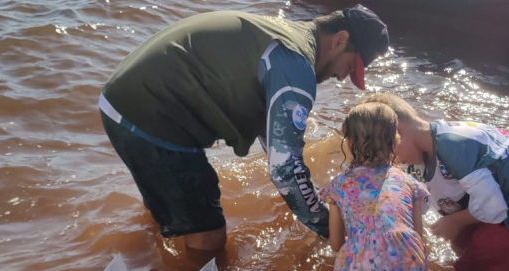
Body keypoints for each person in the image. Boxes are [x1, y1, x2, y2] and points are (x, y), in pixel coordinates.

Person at [99, 5, 389, 250]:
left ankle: (145, 268)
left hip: (122, 102)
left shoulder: (285, 34)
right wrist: (331, 231)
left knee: (170, 208)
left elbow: (274, 142)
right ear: (340, 40)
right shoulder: (296, 67)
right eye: (350, 67)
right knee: (208, 232)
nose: (342, 78)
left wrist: (308, 201)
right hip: (153, 115)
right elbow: (285, 168)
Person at [361, 93, 509, 271]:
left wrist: (456, 221)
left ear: (399, 133)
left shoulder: (453, 145)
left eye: (389, 152)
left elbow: (493, 208)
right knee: (460, 239)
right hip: (501, 196)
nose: (392, 161)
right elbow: (419, 200)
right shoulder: (420, 153)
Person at [321, 102, 428, 271]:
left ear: (349, 143)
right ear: (395, 140)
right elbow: (418, 237)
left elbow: (336, 243)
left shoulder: (340, 186)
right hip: (408, 261)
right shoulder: (410, 183)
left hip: (364, 269)